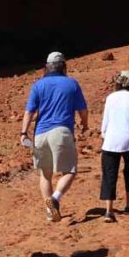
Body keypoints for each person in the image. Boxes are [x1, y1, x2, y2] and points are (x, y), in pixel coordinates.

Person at [20, 52, 88, 222]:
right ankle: (55, 198)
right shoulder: (72, 83)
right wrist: (85, 124)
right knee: (70, 170)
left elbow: (29, 111)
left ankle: (50, 212)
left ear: (47, 67)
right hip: (62, 131)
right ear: (63, 66)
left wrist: (23, 132)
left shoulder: (38, 85)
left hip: (40, 134)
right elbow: (83, 109)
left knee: (45, 175)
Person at [99, 70, 129, 222]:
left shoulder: (110, 97)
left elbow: (105, 122)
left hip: (111, 140)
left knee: (109, 175)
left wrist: (105, 136)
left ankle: (108, 211)